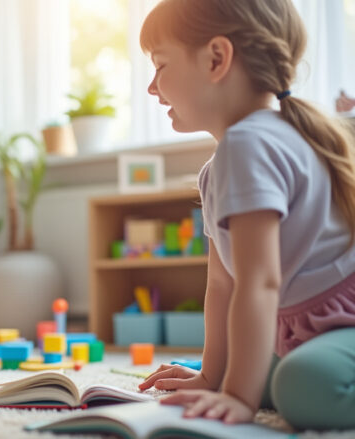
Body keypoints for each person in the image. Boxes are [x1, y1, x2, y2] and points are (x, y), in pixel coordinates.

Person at [136, 0, 355, 430]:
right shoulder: (218, 166)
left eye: (160, 66)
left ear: (217, 58)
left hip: (342, 321)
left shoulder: (250, 145)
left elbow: (260, 281)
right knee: (276, 373)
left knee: (302, 384)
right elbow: (223, 283)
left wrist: (238, 396)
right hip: (305, 327)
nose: (151, 88)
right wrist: (212, 376)